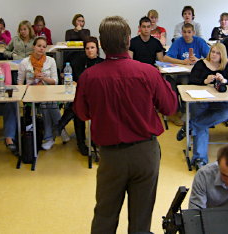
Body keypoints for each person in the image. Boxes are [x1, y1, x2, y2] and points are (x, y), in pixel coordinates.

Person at [73, 16, 177, 233]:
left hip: (111, 156)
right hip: (145, 154)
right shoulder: (148, 73)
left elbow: (82, 114)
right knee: (141, 219)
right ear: (128, 40)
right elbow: (169, 108)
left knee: (104, 216)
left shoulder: (88, 77)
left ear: (101, 43)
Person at [185, 43, 228, 170]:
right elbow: (192, 80)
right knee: (202, 121)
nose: (214, 55)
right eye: (212, 52)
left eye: (217, 53)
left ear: (222, 55)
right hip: (201, 100)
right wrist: (204, 81)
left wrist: (224, 80)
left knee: (225, 114)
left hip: (219, 103)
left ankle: (191, 125)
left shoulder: (225, 66)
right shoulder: (201, 64)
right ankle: (200, 159)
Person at [57, 37, 103, 155]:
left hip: (98, 100)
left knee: (77, 107)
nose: (89, 51)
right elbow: (69, 77)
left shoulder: (102, 63)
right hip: (81, 97)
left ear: (97, 49)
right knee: (78, 108)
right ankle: (81, 143)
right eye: (87, 48)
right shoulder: (78, 61)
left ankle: (60, 125)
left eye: (92, 48)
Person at [18, 37, 63, 150]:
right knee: (46, 104)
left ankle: (51, 136)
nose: (41, 49)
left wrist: (44, 78)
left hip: (48, 91)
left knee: (47, 103)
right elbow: (19, 84)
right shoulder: (24, 62)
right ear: (33, 46)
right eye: (39, 46)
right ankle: (58, 132)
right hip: (31, 93)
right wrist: (33, 79)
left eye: (44, 47)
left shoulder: (50, 61)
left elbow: (55, 81)